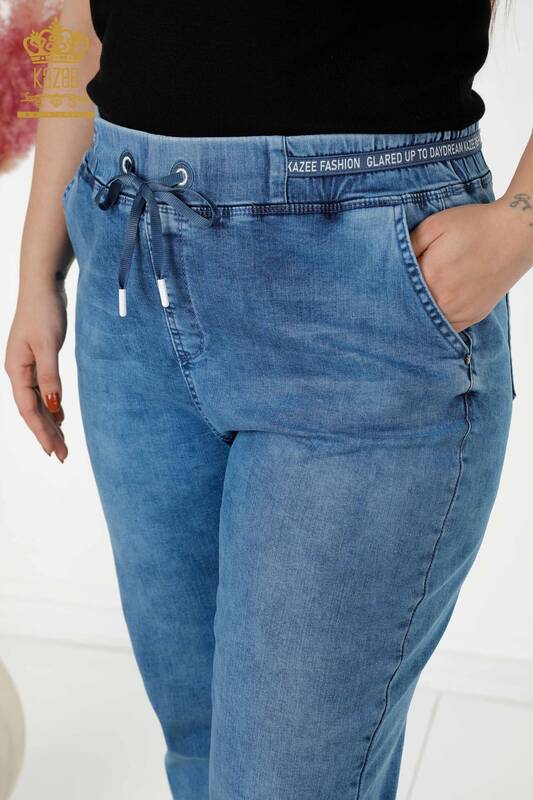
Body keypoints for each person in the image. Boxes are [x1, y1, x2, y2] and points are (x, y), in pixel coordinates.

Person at [5, 1, 531, 798]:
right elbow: (77, 14)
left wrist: (518, 228)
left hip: (360, 289)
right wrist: (37, 268)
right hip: (129, 268)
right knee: (202, 752)